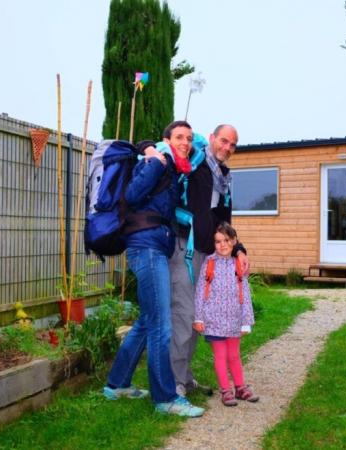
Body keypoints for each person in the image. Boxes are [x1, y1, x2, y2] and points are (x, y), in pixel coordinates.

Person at [102, 121, 204, 418]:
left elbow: (198, 142)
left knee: (147, 321)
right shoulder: (160, 162)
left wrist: (152, 148)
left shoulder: (173, 166)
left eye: (188, 138)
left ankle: (116, 384)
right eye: (179, 137)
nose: (185, 142)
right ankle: (165, 398)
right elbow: (132, 195)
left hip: (154, 245)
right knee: (161, 324)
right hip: (146, 247)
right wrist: (154, 157)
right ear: (166, 140)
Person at [168, 124, 250, 397]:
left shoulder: (224, 177)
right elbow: (159, 144)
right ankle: (173, 383)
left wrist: (239, 249)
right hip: (184, 249)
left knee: (196, 318)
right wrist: (146, 146)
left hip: (206, 254)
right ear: (212, 138)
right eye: (223, 141)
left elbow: (222, 222)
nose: (227, 148)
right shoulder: (196, 159)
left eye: (232, 145)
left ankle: (184, 377)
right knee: (184, 315)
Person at [193, 222, 258, 406]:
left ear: (234, 241)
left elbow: (244, 294)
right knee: (220, 356)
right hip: (213, 320)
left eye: (226, 240)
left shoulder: (239, 264)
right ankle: (226, 391)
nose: (222, 245)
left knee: (234, 355)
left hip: (234, 320)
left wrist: (246, 321)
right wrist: (198, 317)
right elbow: (200, 292)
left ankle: (240, 388)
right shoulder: (209, 263)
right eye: (218, 241)